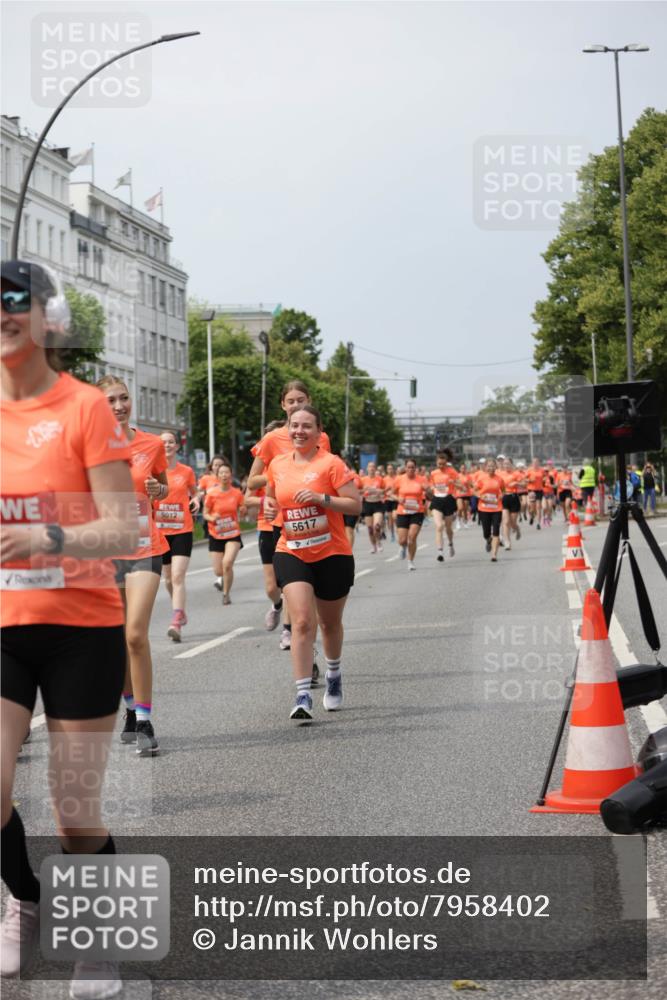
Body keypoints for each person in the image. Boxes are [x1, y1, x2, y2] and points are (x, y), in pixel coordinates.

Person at [1, 260, 139, 996]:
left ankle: (101, 940)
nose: (1, 316)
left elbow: (124, 528)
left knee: (74, 807)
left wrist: (47, 539)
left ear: (46, 320)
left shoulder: (85, 407)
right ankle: (23, 896)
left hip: (81, 627)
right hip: (2, 628)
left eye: (13, 303)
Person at [263, 406, 361, 722]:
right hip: (291, 550)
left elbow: (355, 503)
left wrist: (322, 500)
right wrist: (268, 509)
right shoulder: (277, 464)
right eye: (294, 426)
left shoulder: (331, 464)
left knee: (330, 624)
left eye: (307, 426)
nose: (299, 431)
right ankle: (303, 693)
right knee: (303, 620)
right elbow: (271, 498)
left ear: (319, 432)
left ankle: (333, 673)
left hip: (332, 553)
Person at [98, 375, 168, 758]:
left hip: (146, 546)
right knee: (117, 640)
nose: (120, 406)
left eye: (124, 398)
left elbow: (162, 484)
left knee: (137, 633)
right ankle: (129, 708)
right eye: (110, 400)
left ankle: (144, 719)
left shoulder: (152, 443)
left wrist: (158, 490)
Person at [247, 380, 331, 665]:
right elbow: (251, 481)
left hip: (315, 524)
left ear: (309, 400)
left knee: (311, 600)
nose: (296, 405)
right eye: (291, 401)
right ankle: (288, 623)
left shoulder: (322, 437)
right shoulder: (271, 440)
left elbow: (328, 475)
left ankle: (309, 655)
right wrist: (280, 471)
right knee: (282, 589)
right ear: (283, 405)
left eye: (301, 399)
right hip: (282, 524)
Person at [156, 430, 199, 642]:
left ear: (177, 446)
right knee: (167, 579)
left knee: (178, 575)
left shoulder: (186, 471)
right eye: (163, 442)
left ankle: (176, 620)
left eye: (171, 442)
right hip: (160, 531)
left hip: (183, 529)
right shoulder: (153, 471)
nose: (167, 445)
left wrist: (197, 500)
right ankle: (179, 610)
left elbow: (195, 492)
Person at [244, 420, 285, 631]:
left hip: (290, 527)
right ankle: (277, 605)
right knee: (272, 587)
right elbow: (247, 498)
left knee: (289, 581)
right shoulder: (261, 474)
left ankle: (289, 629)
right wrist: (264, 501)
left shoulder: (293, 465)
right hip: (267, 527)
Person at [203, 462, 246, 605]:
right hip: (215, 533)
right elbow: (205, 514)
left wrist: (243, 511)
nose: (224, 475)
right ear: (217, 476)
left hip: (232, 533)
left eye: (227, 472)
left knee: (227, 564)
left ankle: (226, 594)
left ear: (231, 475)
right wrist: (211, 518)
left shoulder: (237, 493)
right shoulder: (211, 494)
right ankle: (223, 580)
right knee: (218, 571)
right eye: (221, 473)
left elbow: (242, 508)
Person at [390, 458, 431, 570]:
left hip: (417, 511)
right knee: (402, 540)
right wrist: (398, 499)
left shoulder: (421, 479)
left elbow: (430, 494)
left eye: (413, 467)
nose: (411, 469)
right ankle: (403, 547)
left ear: (415, 468)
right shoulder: (399, 479)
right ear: (405, 468)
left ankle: (410, 561)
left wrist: (428, 490)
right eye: (409, 467)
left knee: (412, 538)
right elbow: (391, 493)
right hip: (403, 511)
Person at [428, 450, 458, 561]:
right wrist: (431, 488)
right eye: (439, 464)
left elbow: (460, 485)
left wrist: (453, 482)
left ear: (446, 462)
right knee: (439, 526)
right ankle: (440, 551)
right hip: (437, 500)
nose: (441, 466)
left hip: (449, 500)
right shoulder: (433, 473)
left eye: (443, 464)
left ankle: (450, 543)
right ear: (436, 462)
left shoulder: (452, 471)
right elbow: (431, 485)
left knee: (448, 528)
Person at [476, 457, 505, 561]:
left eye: (493, 466)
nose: (491, 468)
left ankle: (494, 555)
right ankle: (488, 540)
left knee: (496, 530)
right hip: (484, 508)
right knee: (486, 533)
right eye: (489, 466)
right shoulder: (481, 478)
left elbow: (503, 490)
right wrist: (480, 496)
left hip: (497, 508)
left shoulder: (499, 479)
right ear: (485, 467)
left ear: (496, 467)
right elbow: (475, 490)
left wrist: (502, 495)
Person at [360, 461, 385, 553]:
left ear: (375, 469)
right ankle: (373, 546)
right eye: (370, 467)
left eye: (373, 467)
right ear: (367, 468)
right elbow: (358, 491)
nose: (371, 468)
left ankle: (379, 542)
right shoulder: (363, 480)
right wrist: (364, 490)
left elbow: (384, 490)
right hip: (367, 504)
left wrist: (377, 490)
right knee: (370, 529)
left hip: (377, 503)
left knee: (377, 526)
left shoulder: (380, 479)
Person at [499, 457, 522, 549]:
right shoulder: (499, 474)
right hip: (504, 498)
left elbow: (524, 483)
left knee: (512, 522)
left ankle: (517, 529)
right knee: (505, 521)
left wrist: (516, 483)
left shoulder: (516, 474)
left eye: (508, 464)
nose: (506, 465)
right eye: (505, 464)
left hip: (513, 498)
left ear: (511, 465)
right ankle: (507, 541)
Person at [342, 458, 363, 548]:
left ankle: (349, 552)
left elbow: (360, 489)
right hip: (339, 507)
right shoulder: (336, 476)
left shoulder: (354, 477)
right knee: (342, 531)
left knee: (349, 529)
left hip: (351, 506)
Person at [526, 457, 545, 529]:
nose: (535, 464)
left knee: (538, 507)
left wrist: (544, 480)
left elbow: (544, 477)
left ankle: (538, 523)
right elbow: (525, 479)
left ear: (539, 463)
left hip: (539, 490)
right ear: (532, 463)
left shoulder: (541, 470)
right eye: (534, 462)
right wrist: (530, 480)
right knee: (532, 508)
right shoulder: (529, 470)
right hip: (531, 490)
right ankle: (531, 516)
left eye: (537, 462)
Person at [383, 462, 398, 542]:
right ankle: (392, 534)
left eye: (391, 469)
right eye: (389, 469)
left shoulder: (397, 478)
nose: (390, 470)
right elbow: (382, 491)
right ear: (387, 470)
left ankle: (397, 531)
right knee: (390, 519)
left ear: (394, 469)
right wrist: (386, 490)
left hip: (395, 500)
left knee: (395, 517)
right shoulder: (384, 479)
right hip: (388, 500)